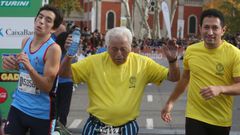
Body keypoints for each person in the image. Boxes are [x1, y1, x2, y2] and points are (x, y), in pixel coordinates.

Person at [59, 26, 180, 135]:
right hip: (96, 126)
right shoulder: (93, 62)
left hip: (127, 127)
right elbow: (65, 74)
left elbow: (173, 77)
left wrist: (173, 61)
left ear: (131, 47)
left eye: (123, 49)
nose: (119, 54)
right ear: (107, 47)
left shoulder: (143, 63)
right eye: (114, 49)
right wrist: (69, 54)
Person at [161, 9, 240, 135]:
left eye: (215, 28)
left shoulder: (235, 54)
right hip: (194, 116)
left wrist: (221, 89)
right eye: (206, 27)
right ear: (200, 28)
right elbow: (185, 79)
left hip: (220, 120)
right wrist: (170, 102)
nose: (210, 32)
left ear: (223, 30)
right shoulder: (191, 51)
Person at [2, 5, 63, 135]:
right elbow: (23, 70)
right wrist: (12, 65)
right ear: (35, 20)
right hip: (19, 105)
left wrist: (29, 67)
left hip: (41, 113)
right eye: (40, 17)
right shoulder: (26, 41)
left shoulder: (53, 49)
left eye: (48, 20)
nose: (41, 21)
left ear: (53, 28)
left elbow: (46, 86)